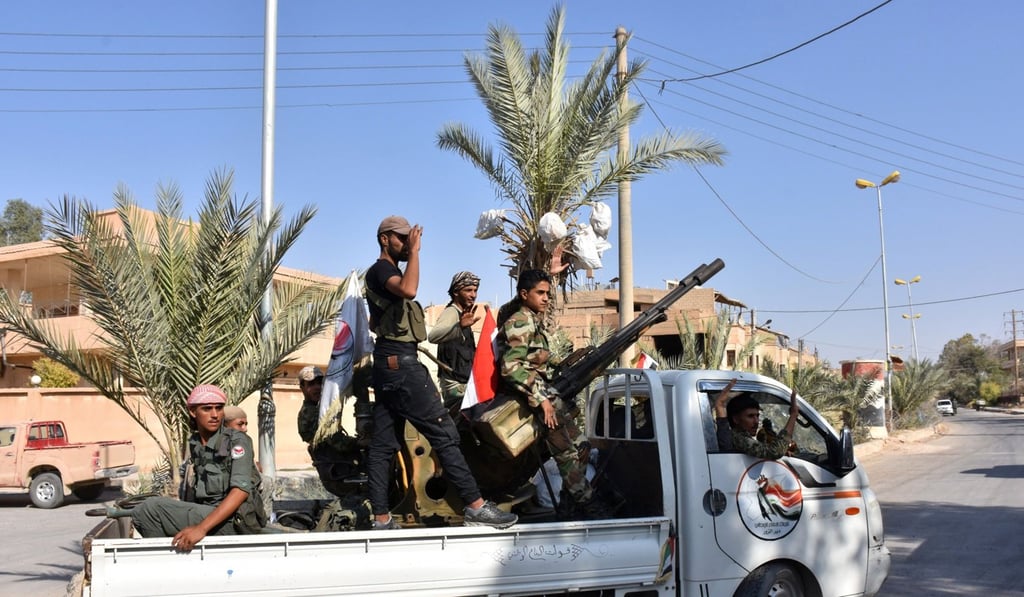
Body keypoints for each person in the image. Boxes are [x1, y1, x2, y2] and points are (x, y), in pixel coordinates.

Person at [364, 215, 517, 530]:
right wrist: (417, 252)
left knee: (383, 443)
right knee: (445, 433)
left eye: (410, 239)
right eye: (402, 239)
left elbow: (376, 322)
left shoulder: (381, 275)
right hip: (402, 367)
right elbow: (408, 289)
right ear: (384, 239)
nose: (407, 243)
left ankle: (381, 517)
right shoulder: (383, 270)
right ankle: (475, 507)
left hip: (389, 363)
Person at [496, 269, 609, 519]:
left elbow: (534, 363)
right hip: (533, 403)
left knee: (582, 448)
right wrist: (541, 399)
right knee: (567, 456)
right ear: (524, 294)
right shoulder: (519, 321)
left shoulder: (532, 320)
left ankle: (570, 506)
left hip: (548, 398)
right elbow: (510, 367)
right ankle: (593, 509)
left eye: (548, 293)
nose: (546, 298)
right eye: (540, 293)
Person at [129, 384, 265, 551]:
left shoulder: (237, 441)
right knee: (143, 509)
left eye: (219, 408)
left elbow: (240, 491)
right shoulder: (196, 444)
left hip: (236, 521)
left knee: (149, 510)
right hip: (211, 515)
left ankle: (165, 563)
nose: (215, 415)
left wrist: (201, 529)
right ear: (193, 412)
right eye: (207, 409)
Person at [296, 365, 363, 496]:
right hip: (340, 470)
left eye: (319, 382)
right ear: (302, 388)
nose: (316, 387)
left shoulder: (321, 409)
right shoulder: (312, 414)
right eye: (311, 384)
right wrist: (361, 443)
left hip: (339, 467)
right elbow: (337, 442)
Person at [427, 271, 481, 411]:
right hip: (455, 384)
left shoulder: (463, 313)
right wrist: (459, 326)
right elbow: (433, 336)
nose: (473, 295)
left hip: (463, 380)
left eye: (475, 290)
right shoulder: (452, 312)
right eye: (468, 290)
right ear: (456, 292)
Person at [714, 379, 799, 459]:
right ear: (735, 419)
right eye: (750, 416)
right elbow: (774, 452)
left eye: (757, 416)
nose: (756, 421)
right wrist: (793, 415)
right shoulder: (738, 438)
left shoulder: (741, 437)